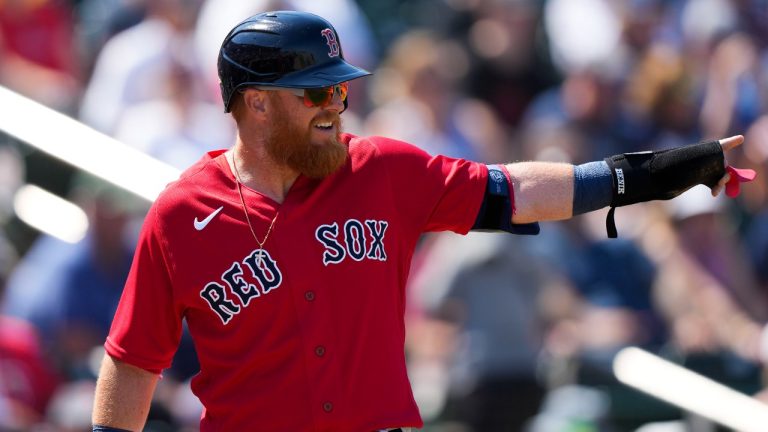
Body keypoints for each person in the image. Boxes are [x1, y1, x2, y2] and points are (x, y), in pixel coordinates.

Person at [90, 10, 753, 432]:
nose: (337, 106)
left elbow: (516, 191)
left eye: (341, 89)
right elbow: (132, 361)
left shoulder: (381, 170)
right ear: (257, 105)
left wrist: (651, 175)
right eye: (318, 92)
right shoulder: (181, 216)